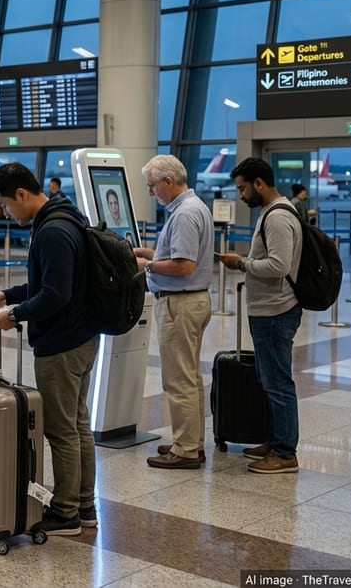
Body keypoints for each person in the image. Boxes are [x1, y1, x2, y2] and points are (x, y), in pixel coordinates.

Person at [0, 162, 98, 535]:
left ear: (22, 194)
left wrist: (14, 315)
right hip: (81, 336)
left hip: (61, 344)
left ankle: (66, 513)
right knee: (78, 426)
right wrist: (8, 294)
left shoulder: (52, 231)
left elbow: (54, 294)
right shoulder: (67, 217)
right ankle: (84, 504)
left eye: (6, 205)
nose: (7, 213)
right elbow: (50, 280)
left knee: (62, 431)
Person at [220, 157, 303, 475]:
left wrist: (241, 263)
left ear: (259, 183)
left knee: (278, 382)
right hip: (269, 309)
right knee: (270, 380)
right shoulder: (275, 212)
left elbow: (279, 266)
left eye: (242, 188)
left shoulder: (277, 217)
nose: (240, 195)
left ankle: (285, 452)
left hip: (275, 310)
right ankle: (275, 440)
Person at [133, 156, 214, 470]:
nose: (152, 193)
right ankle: (190, 441)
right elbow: (179, 255)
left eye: (152, 186)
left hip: (180, 303)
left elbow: (184, 265)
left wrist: (147, 265)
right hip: (193, 300)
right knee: (190, 377)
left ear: (168, 181)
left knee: (178, 379)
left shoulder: (184, 214)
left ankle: (186, 449)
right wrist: (150, 253)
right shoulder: (194, 207)